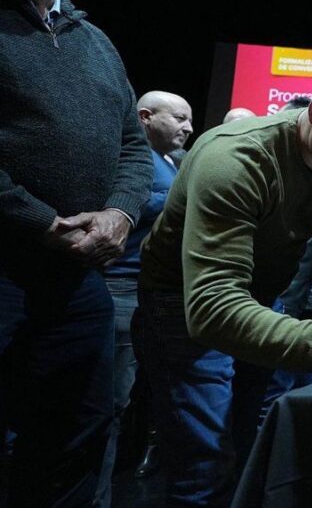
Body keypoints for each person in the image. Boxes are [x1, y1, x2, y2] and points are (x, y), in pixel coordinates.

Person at [134, 48, 312, 507]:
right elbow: (213, 309)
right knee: (204, 465)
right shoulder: (235, 158)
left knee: (261, 444)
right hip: (184, 304)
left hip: (257, 299)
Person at [0, 0, 156, 505]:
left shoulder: (95, 42)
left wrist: (119, 212)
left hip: (77, 277)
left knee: (82, 435)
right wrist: (40, 223)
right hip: (8, 268)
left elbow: (133, 148)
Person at [97, 91, 192, 506]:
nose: (189, 127)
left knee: (139, 395)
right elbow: (117, 202)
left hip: (152, 293)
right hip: (120, 289)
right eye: (180, 118)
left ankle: (126, 479)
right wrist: (189, 198)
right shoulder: (123, 159)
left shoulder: (172, 163)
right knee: (112, 402)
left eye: (191, 119)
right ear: (145, 117)